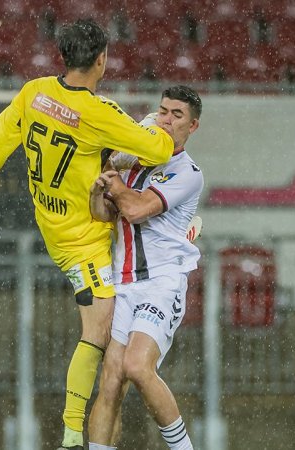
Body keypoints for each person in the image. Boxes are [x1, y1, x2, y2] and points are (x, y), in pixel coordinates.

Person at [0, 18, 175, 450]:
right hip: (82, 242)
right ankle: (73, 431)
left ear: (63, 57)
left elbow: (0, 136)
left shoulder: (34, 92)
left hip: (52, 224)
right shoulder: (99, 112)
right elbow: (162, 149)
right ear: (102, 60)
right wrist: (148, 123)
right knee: (99, 330)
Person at [87, 85, 204, 450]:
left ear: (193, 126)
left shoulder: (188, 172)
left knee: (138, 366)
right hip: (124, 283)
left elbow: (136, 210)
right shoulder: (133, 162)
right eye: (163, 111)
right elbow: (104, 213)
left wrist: (115, 179)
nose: (166, 120)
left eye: (177, 115)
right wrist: (98, 186)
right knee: (110, 381)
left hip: (161, 282)